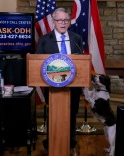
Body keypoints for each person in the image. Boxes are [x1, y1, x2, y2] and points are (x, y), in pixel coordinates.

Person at [36, 7, 83, 151]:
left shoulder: (76, 39)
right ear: (53, 22)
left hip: (73, 86)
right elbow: (38, 64)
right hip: (52, 87)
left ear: (69, 22)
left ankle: (70, 143)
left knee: (71, 115)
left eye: (66, 20)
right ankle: (52, 143)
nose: (63, 23)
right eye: (59, 20)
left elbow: (82, 63)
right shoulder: (44, 40)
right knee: (55, 116)